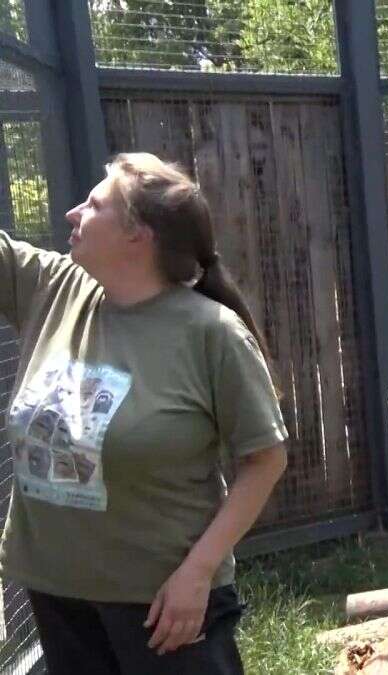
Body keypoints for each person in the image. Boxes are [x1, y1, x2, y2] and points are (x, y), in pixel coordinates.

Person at [0, 152, 289, 674]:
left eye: (93, 205)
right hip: (55, 587)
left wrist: (197, 573)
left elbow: (265, 458)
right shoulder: (53, 288)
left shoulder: (212, 333)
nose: (71, 214)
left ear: (139, 235)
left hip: (163, 603)